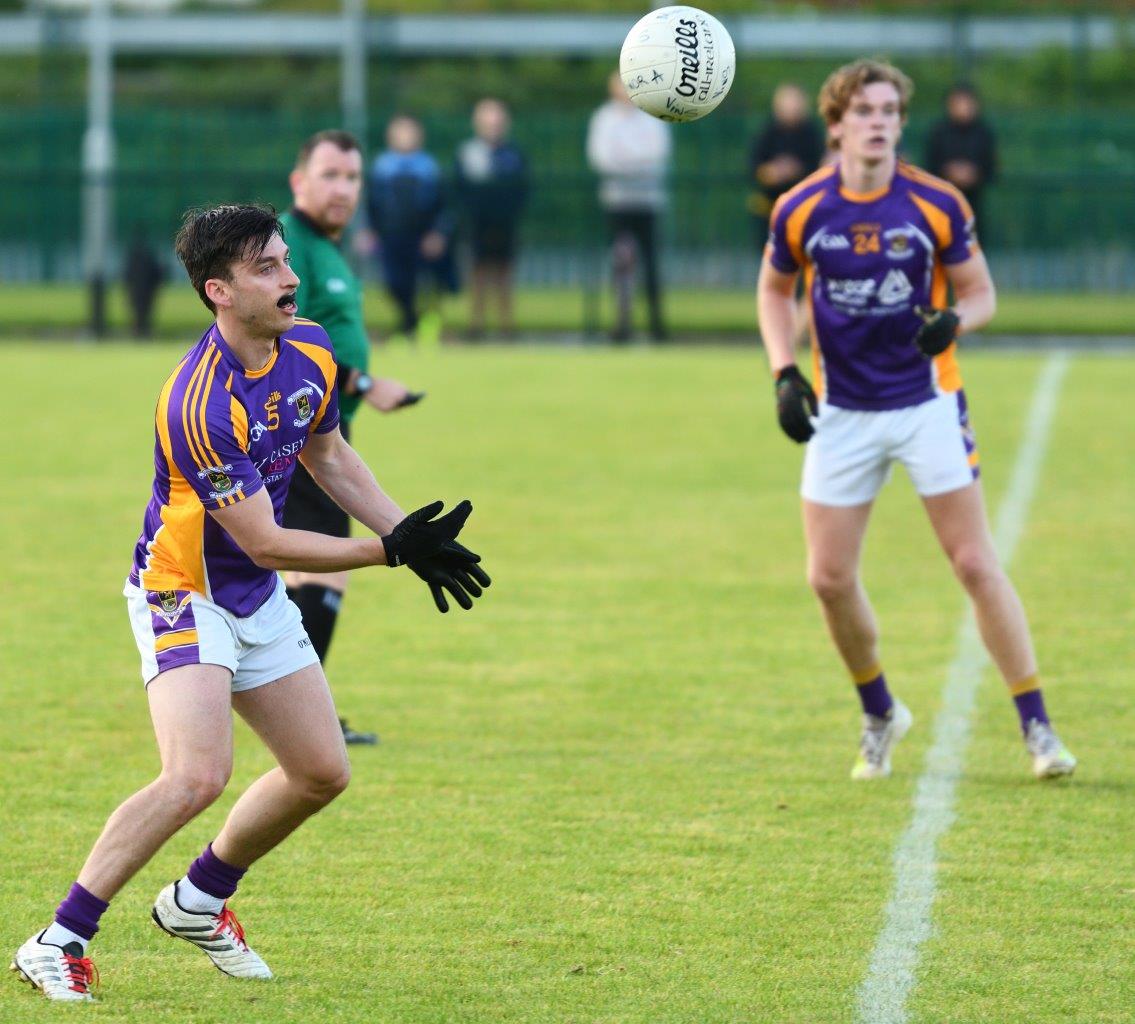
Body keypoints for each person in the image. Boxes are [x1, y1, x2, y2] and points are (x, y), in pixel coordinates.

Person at [11, 204, 490, 1002]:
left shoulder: (309, 347)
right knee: (197, 775)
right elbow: (267, 541)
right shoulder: (198, 402)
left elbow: (329, 453)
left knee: (320, 772)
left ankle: (199, 898)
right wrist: (387, 553)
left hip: (254, 595)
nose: (290, 278)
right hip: (184, 592)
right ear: (218, 292)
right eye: (265, 268)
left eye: (284, 260)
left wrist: (406, 528)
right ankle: (58, 938)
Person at [755, 58, 1075, 782]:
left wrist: (952, 322)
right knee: (828, 578)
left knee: (972, 561)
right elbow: (773, 291)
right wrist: (782, 371)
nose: (877, 123)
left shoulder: (935, 203)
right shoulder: (801, 207)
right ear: (834, 124)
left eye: (888, 112)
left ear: (901, 123)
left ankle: (1038, 728)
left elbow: (981, 293)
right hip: (841, 412)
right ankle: (879, 712)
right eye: (862, 111)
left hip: (926, 402)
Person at [281, 129, 425, 746]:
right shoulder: (294, 247)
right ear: (300, 181)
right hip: (301, 441)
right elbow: (287, 337)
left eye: (352, 177)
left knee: (296, 587)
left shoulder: (329, 248)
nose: (343, 188)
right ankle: (298, 720)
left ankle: (294, 712)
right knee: (323, 580)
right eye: (330, 174)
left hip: (316, 436)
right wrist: (365, 382)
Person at [586, 72, 671, 342]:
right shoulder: (604, 119)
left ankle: (656, 323)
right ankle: (622, 322)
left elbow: (657, 156)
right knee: (621, 263)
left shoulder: (653, 116)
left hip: (647, 202)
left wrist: (627, 159)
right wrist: (635, 161)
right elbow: (602, 158)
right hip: (617, 202)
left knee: (650, 263)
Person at [366, 115, 458, 345]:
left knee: (425, 284)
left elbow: (443, 205)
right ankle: (409, 322)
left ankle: (421, 328)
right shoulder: (382, 167)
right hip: (391, 235)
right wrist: (369, 230)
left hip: (422, 237)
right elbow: (372, 204)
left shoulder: (428, 167)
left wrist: (437, 233)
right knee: (394, 282)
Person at [455, 98, 529, 339]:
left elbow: (521, 188)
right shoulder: (468, 152)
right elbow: (460, 188)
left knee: (504, 272)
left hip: (505, 222)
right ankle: (476, 325)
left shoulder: (514, 154)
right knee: (478, 272)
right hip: (477, 222)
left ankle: (506, 326)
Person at [746, 83, 826, 252]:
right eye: (787, 102)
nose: (792, 107)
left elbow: (821, 168)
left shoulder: (812, 133)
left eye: (795, 102)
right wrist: (771, 172)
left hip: (805, 209)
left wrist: (796, 170)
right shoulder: (767, 131)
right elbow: (753, 168)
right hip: (769, 210)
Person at [925, 83, 997, 232]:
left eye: (967, 102)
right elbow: (929, 166)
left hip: (973, 204)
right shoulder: (938, 132)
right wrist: (949, 173)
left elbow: (991, 168)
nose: (963, 107)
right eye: (959, 102)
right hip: (942, 204)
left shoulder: (983, 133)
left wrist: (974, 174)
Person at [122, 229, 165, 338]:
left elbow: (127, 273)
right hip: (145, 288)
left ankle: (140, 332)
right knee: (144, 311)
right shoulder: (148, 254)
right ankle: (142, 332)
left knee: (139, 311)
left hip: (138, 288)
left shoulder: (134, 255)